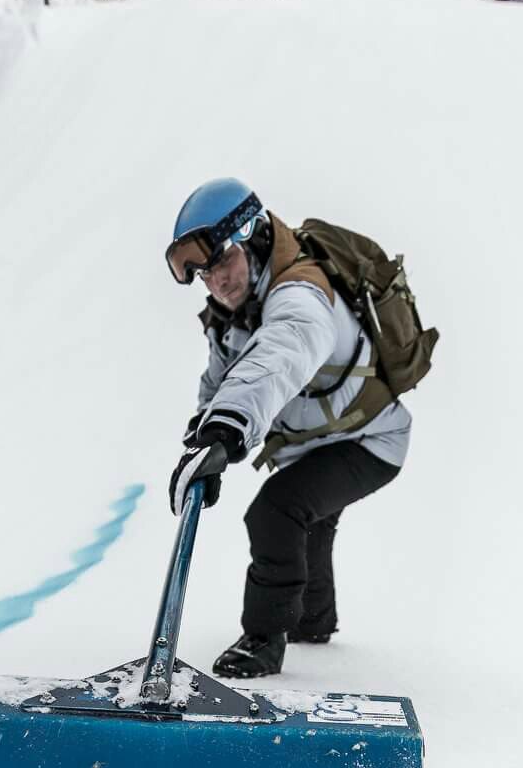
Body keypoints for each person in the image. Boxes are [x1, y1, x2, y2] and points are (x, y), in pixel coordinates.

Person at [167, 178, 410, 679]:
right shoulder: (231, 317)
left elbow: (280, 354)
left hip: (369, 440)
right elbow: (221, 380)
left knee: (276, 512)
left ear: (254, 237)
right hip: (318, 444)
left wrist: (229, 431)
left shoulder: (302, 295)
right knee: (308, 528)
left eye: (221, 261)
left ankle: (263, 640)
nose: (215, 280)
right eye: (202, 273)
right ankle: (312, 626)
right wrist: (203, 434)